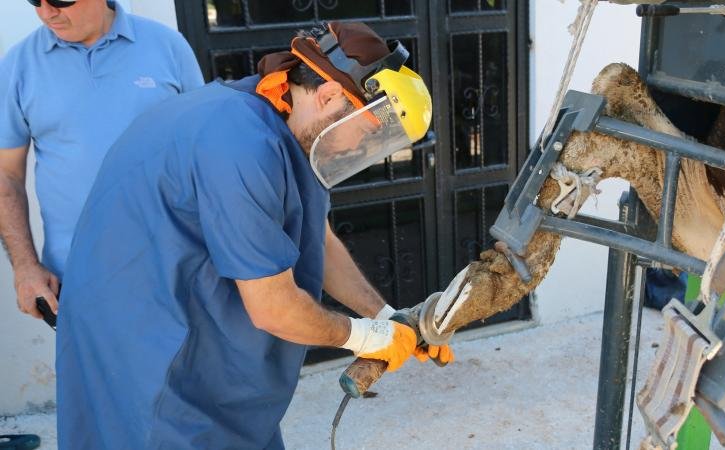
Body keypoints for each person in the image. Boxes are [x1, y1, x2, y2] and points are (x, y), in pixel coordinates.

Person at [56, 21, 453, 449]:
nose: (363, 148)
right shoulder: (238, 142)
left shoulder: (286, 122)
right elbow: (274, 309)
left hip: (189, 324)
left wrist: (386, 318)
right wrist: (365, 337)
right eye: (369, 131)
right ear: (330, 96)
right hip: (143, 349)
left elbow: (317, 240)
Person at [0, 0, 204, 321]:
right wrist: (25, 267)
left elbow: (204, 155)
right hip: (77, 283)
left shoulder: (168, 46)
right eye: (34, 0)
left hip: (176, 272)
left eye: (59, 0)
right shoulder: (17, 65)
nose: (45, 12)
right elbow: (5, 175)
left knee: (187, 372)